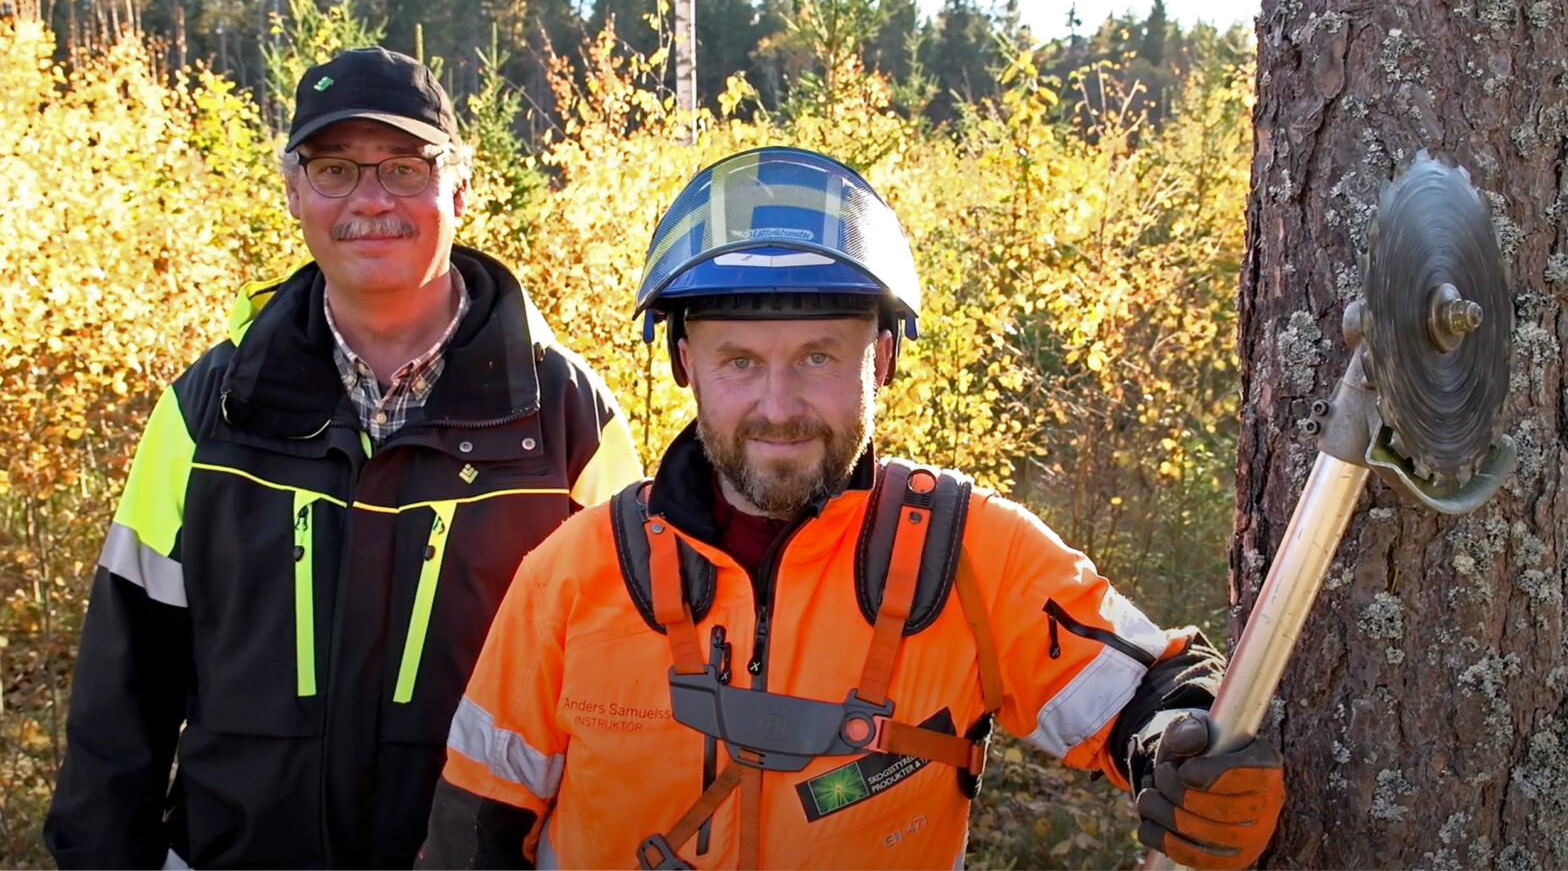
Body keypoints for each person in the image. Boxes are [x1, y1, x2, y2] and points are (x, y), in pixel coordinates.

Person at [418, 147, 1284, 870]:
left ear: (882, 360)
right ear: (683, 363)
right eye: (740, 362)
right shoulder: (576, 575)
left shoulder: (967, 553)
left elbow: (1150, 688)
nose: (781, 405)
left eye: (820, 357)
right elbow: (476, 829)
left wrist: (1186, 751)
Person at [43, 46, 642, 869]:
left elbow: (625, 699)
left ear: (460, 189)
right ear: (293, 192)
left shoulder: (569, 417)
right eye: (334, 170)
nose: (369, 201)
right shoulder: (206, 411)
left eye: (404, 168)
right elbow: (122, 693)